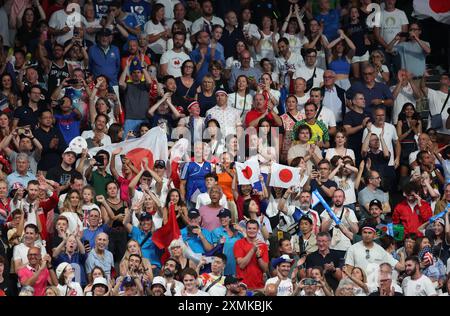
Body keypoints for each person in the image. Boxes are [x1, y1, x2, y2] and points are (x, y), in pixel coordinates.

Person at [234, 219, 269, 291]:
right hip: (242, 287)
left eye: (254, 228)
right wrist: (253, 249)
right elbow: (241, 265)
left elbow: (265, 269)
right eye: (249, 228)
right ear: (246, 229)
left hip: (259, 286)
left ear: (258, 230)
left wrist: (259, 257)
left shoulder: (263, 245)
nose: (251, 230)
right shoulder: (238, 243)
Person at [320, 189, 358, 255]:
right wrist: (331, 218)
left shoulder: (350, 211)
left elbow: (356, 231)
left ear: (344, 198)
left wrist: (347, 218)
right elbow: (323, 230)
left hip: (346, 247)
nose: (338, 199)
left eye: (340, 196)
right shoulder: (326, 211)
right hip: (330, 247)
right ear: (332, 198)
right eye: (335, 197)